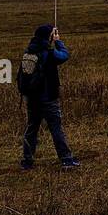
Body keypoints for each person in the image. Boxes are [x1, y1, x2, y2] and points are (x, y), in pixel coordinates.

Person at [19, 24, 80, 169]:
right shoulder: (49, 53)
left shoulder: (29, 51)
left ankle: (27, 161)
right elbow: (64, 55)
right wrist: (58, 41)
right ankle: (66, 159)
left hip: (32, 99)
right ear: (49, 36)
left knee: (31, 129)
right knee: (56, 128)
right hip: (48, 98)